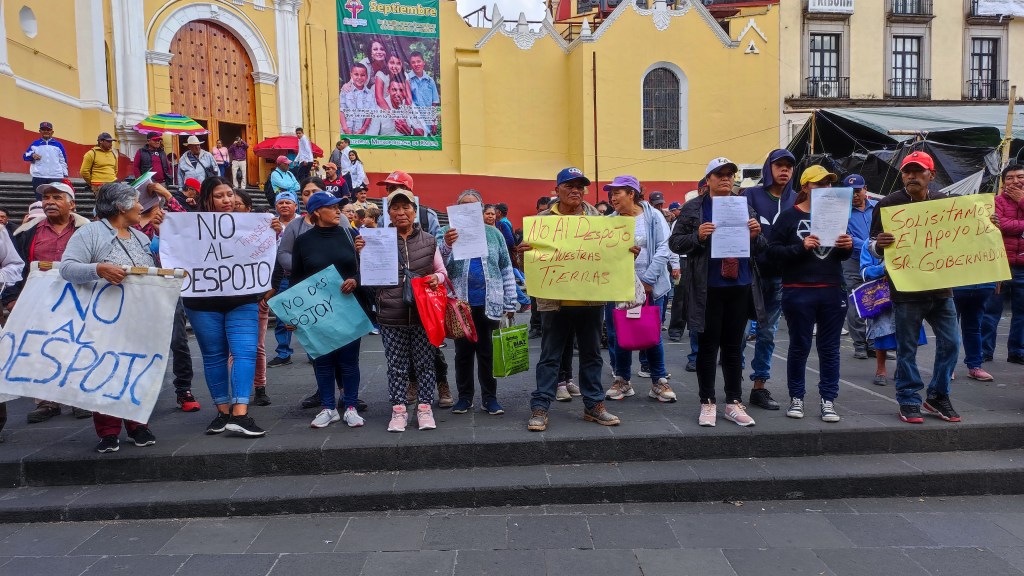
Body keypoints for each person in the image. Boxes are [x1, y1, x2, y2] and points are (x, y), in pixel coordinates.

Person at [59, 182, 160, 453]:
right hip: (103, 318)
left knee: (137, 369)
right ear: (120, 206)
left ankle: (138, 425)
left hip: (140, 318)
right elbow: (67, 268)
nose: (141, 207)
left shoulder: (140, 237)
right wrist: (99, 269)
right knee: (104, 370)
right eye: (136, 202)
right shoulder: (90, 233)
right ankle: (108, 431)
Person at [522, 167, 621, 432]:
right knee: (550, 356)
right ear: (557, 190)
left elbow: (609, 255)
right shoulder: (541, 220)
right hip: (554, 301)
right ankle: (541, 406)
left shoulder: (599, 218)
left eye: (580, 186)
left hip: (590, 300)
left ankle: (594, 405)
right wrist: (523, 254)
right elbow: (531, 262)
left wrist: (626, 251)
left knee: (591, 355)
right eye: (569, 185)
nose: (576, 190)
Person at [669, 158, 766, 428]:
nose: (726, 179)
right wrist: (697, 236)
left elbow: (761, 247)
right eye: (719, 174)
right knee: (708, 347)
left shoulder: (744, 205)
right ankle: (707, 401)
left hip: (739, 284)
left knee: (735, 347)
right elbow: (675, 243)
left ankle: (733, 402)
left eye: (730, 174)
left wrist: (757, 235)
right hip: (708, 286)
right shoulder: (693, 208)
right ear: (708, 179)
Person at [869, 151, 962, 424]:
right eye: (907, 172)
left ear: (931, 176)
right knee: (906, 348)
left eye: (918, 171)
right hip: (906, 291)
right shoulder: (888, 204)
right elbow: (871, 245)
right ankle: (909, 399)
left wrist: (986, 228)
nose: (912, 176)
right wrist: (879, 245)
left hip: (941, 289)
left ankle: (937, 395)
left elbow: (962, 238)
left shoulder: (944, 203)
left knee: (952, 344)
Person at [767, 165, 852, 423]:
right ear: (805, 187)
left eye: (828, 184)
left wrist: (846, 247)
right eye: (818, 184)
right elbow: (772, 253)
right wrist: (800, 247)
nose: (825, 188)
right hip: (798, 290)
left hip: (831, 289)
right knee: (800, 346)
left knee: (829, 348)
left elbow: (839, 255)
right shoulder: (788, 218)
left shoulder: (837, 215)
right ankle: (797, 397)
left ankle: (828, 400)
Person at [184, 176, 266, 437]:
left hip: (241, 300)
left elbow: (264, 252)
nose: (227, 200)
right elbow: (166, 249)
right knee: (214, 356)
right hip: (202, 302)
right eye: (220, 196)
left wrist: (271, 231)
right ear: (207, 199)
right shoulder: (188, 226)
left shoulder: (249, 226)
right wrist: (162, 228)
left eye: (230, 194)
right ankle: (222, 412)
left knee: (245, 353)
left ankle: (240, 412)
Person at [9, 182, 92, 423]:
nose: (49, 202)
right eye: (46, 198)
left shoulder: (86, 230)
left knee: (77, 345)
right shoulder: (27, 231)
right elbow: (18, 266)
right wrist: (13, 298)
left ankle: (78, 398)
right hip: (40, 300)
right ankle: (47, 401)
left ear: (72, 204)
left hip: (78, 298)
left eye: (57, 197)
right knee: (41, 347)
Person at [288, 192, 367, 428]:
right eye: (332, 207)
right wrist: (291, 314)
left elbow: (366, 268)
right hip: (317, 312)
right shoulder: (303, 242)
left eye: (338, 207)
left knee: (349, 361)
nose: (338, 211)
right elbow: (296, 280)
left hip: (347, 309)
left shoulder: (349, 234)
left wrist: (355, 279)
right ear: (317, 212)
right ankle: (327, 408)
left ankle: (350, 406)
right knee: (322, 361)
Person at [438, 190, 517, 415]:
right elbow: (436, 264)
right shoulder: (445, 233)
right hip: (459, 304)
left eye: (473, 206)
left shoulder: (494, 234)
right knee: (462, 353)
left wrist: (510, 301)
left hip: (488, 302)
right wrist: (447, 245)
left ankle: (489, 398)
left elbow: (504, 267)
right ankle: (464, 397)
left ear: (481, 210)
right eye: (463, 206)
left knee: (487, 353)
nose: (468, 210)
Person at [376, 188, 448, 432]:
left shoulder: (429, 240)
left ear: (415, 211)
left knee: (425, 364)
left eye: (406, 207)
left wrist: (437, 278)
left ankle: (425, 408)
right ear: (389, 213)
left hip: (422, 314)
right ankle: (399, 411)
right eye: (395, 208)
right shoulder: (378, 240)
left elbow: (442, 271)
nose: (401, 212)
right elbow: (368, 275)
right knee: (396, 365)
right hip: (390, 314)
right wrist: (361, 251)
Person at [602, 175, 676, 404]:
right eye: (611, 193)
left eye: (617, 193)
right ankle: (622, 379)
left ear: (631, 193)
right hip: (620, 285)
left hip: (652, 286)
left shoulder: (653, 216)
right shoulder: (611, 220)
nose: (613, 198)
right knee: (618, 334)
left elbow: (666, 246)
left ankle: (659, 381)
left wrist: (648, 280)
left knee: (651, 333)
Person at [132, 181, 201, 412]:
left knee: (178, 341)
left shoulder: (167, 220)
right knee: (139, 343)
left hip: (168, 290)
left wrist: (165, 194)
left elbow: (188, 226)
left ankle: (184, 389)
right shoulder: (128, 225)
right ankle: (139, 392)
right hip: (136, 292)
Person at [740, 148, 797, 411]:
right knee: (738, 332)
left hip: (778, 277)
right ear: (768, 168)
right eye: (779, 165)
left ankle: (759, 386)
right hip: (748, 275)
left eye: (789, 166)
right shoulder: (750, 194)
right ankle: (733, 383)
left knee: (767, 334)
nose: (784, 170)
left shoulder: (796, 200)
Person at [229, 189, 271, 406]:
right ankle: (238, 389)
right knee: (231, 349)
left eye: (238, 204)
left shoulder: (261, 231)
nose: (233, 207)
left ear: (248, 208)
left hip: (255, 297)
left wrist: (266, 296)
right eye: (230, 203)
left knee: (258, 346)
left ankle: (260, 387)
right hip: (228, 296)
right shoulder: (218, 230)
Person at [842, 174, 876, 359]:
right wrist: (870, 245)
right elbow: (846, 237)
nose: (854, 195)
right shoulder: (842, 211)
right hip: (852, 260)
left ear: (865, 189)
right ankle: (859, 344)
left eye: (857, 191)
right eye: (849, 192)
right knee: (855, 301)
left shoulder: (876, 208)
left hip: (875, 261)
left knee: (876, 299)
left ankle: (873, 343)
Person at [993, 163, 1024, 365]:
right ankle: (984, 352)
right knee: (990, 312)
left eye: (1020, 177)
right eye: (1010, 178)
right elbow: (999, 225)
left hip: (1023, 265)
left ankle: (1017, 352)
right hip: (999, 263)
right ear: (1004, 182)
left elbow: (1005, 225)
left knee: (1022, 313)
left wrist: (1021, 201)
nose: (1015, 181)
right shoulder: (995, 201)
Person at [23, 121, 68, 197]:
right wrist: (32, 155)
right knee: (40, 199)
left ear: (52, 132)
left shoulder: (58, 145)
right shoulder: (35, 144)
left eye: (48, 130)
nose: (46, 131)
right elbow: (25, 156)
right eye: (43, 130)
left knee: (56, 198)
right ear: (40, 131)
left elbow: (63, 161)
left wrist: (65, 175)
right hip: (39, 177)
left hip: (56, 177)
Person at [341, 64, 379, 136]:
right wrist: (345, 128)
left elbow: (370, 113)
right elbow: (341, 110)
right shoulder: (345, 90)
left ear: (367, 77)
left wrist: (363, 129)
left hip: (361, 133)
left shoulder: (370, 94)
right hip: (345, 131)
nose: (359, 77)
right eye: (356, 74)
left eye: (362, 75)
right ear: (351, 75)